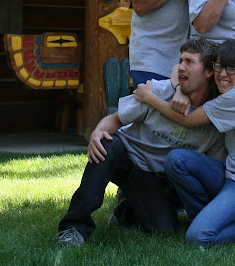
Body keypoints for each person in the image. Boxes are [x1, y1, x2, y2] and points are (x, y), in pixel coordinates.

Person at [56, 38, 223, 247]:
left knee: (164, 229)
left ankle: (126, 209)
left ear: (208, 72)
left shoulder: (216, 116)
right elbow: (116, 120)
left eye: (190, 62)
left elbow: (212, 166)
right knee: (106, 145)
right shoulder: (157, 91)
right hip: (125, 154)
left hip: (150, 176)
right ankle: (74, 227)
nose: (181, 67)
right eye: (181, 60)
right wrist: (97, 132)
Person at [133, 39, 235, 246]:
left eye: (232, 69)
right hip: (232, 173)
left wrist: (149, 97)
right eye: (219, 66)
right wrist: (180, 90)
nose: (223, 74)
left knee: (198, 238)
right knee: (177, 160)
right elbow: (178, 68)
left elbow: (187, 120)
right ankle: (207, 219)